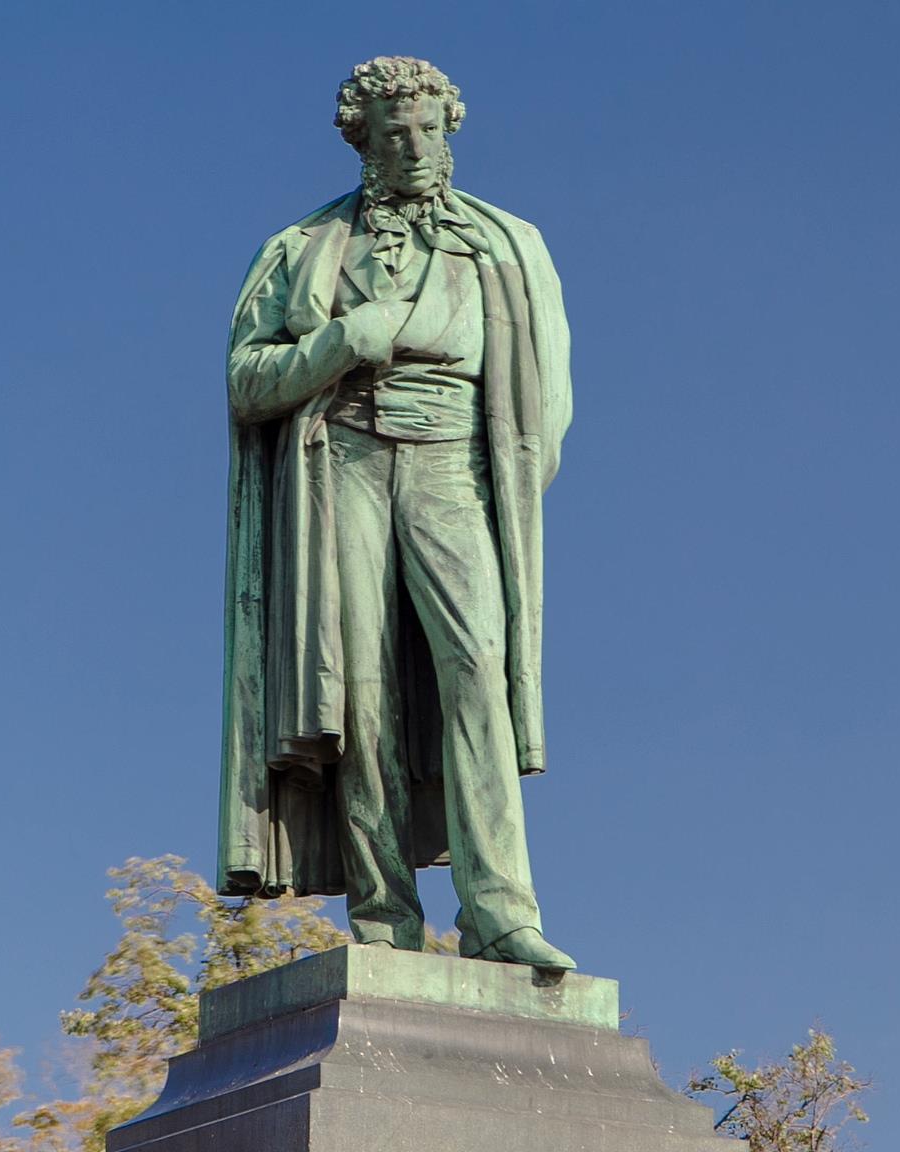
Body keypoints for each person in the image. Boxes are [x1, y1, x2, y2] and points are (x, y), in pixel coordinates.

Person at [217, 56, 575, 971]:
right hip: (341, 461)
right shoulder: (303, 247)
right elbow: (246, 380)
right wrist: (341, 341)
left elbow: (547, 405)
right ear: (364, 143)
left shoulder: (509, 245)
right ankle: (385, 918)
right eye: (394, 133)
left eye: (427, 129)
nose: (414, 147)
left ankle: (500, 911)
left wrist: (503, 493)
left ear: (449, 129)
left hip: (455, 463)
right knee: (360, 686)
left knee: (477, 669)